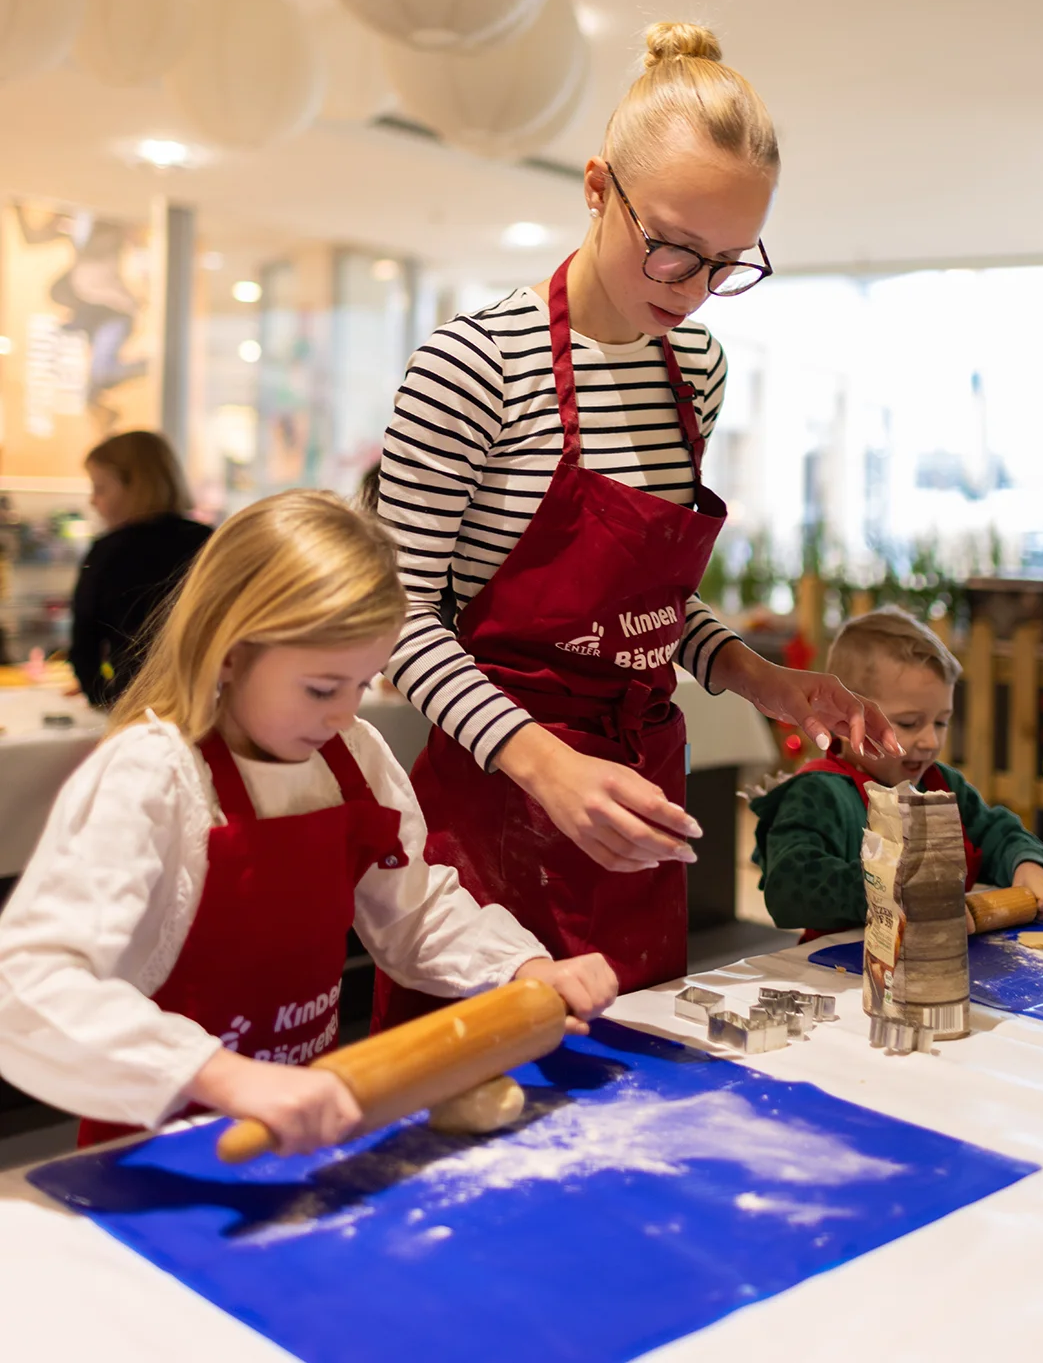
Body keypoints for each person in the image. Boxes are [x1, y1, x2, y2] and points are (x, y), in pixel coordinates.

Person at [375, 21, 902, 1021]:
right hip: (499, 801)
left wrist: (757, 677)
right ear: (594, 188)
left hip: (636, 802)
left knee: (631, 1108)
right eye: (670, 248)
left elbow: (645, 606)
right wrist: (543, 763)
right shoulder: (473, 368)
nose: (693, 292)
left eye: (727, 264)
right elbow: (398, 623)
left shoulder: (692, 372)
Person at [0, 492, 615, 1153]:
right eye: (322, 688)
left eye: (362, 683)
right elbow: (29, 980)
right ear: (229, 651)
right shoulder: (152, 776)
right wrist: (222, 1076)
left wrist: (520, 966)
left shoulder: (351, 758)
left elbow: (413, 911)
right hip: (160, 1143)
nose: (343, 714)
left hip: (300, 1125)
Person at [751, 606, 1043, 940]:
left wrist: (1027, 864)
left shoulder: (942, 784)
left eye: (941, 721)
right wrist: (894, 891)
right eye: (908, 723)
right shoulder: (817, 794)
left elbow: (998, 835)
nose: (930, 741)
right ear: (841, 717)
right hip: (842, 975)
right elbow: (789, 888)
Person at [69, 430, 211, 706]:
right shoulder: (209, 540)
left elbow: (84, 644)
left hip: (137, 701)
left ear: (135, 486)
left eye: (100, 488)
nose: (92, 501)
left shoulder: (109, 551)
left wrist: (103, 697)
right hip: (205, 698)